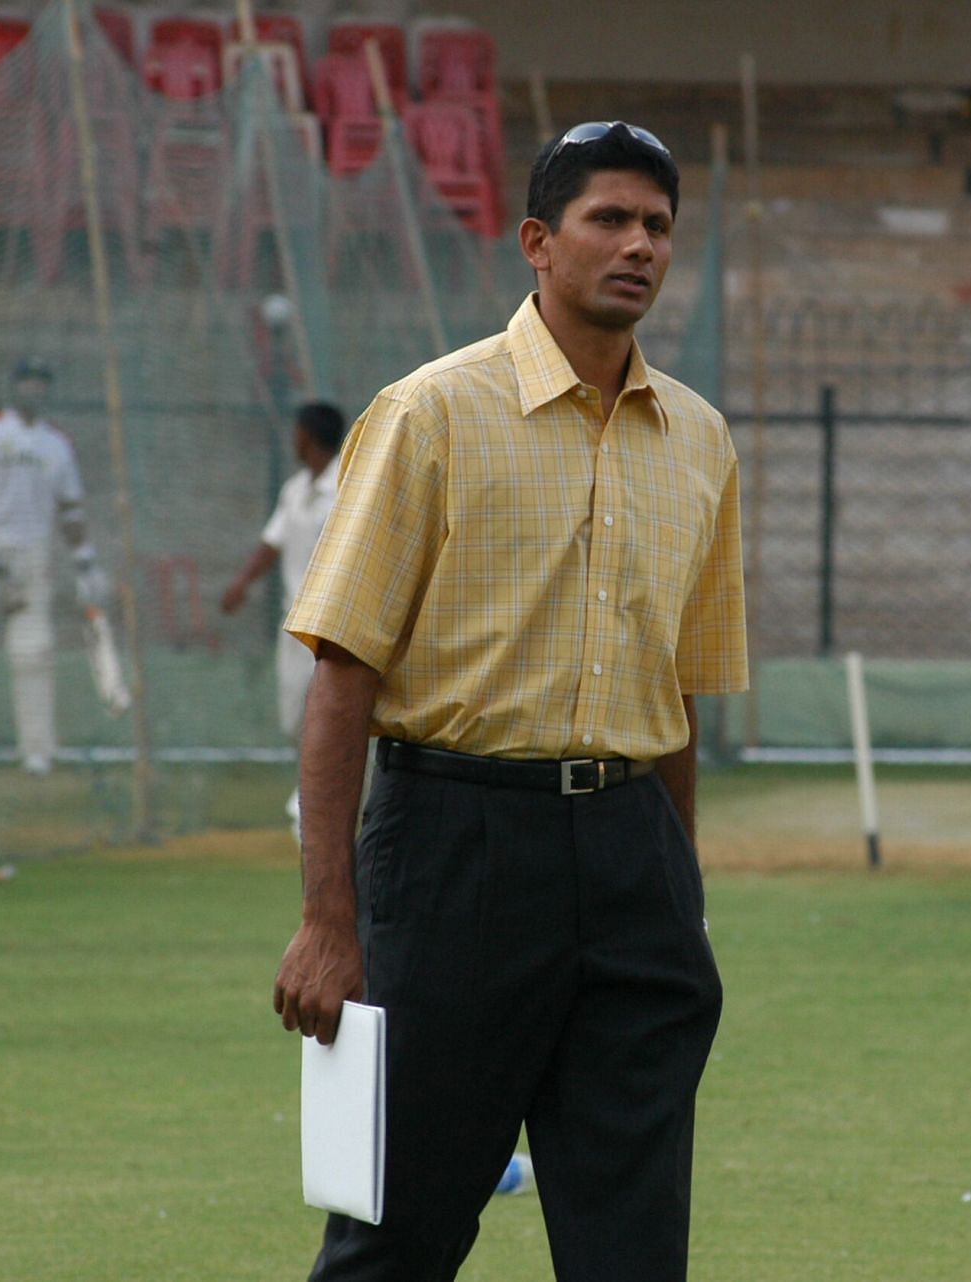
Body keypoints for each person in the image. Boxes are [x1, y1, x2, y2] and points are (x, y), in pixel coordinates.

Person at [273, 121, 747, 1281]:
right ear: (538, 241)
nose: (639, 245)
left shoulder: (700, 438)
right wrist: (331, 920)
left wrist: (677, 887)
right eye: (609, 219)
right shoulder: (431, 414)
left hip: (632, 856)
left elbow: (679, 690)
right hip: (454, 850)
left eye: (658, 227)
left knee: (634, 1244)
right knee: (399, 1232)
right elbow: (344, 677)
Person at [0, 357, 108, 774]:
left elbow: (70, 511)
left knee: (33, 652)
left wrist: (85, 561)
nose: (33, 391)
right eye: (26, 382)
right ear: (13, 387)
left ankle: (37, 749)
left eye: (41, 383)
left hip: (34, 555)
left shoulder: (57, 444)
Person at [219, 401, 344, 828]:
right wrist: (242, 583)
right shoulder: (294, 489)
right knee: (294, 718)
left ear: (306, 435)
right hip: (295, 627)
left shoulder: (348, 483)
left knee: (329, 716)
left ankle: (314, 807)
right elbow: (271, 543)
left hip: (336, 628)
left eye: (296, 431)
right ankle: (311, 798)